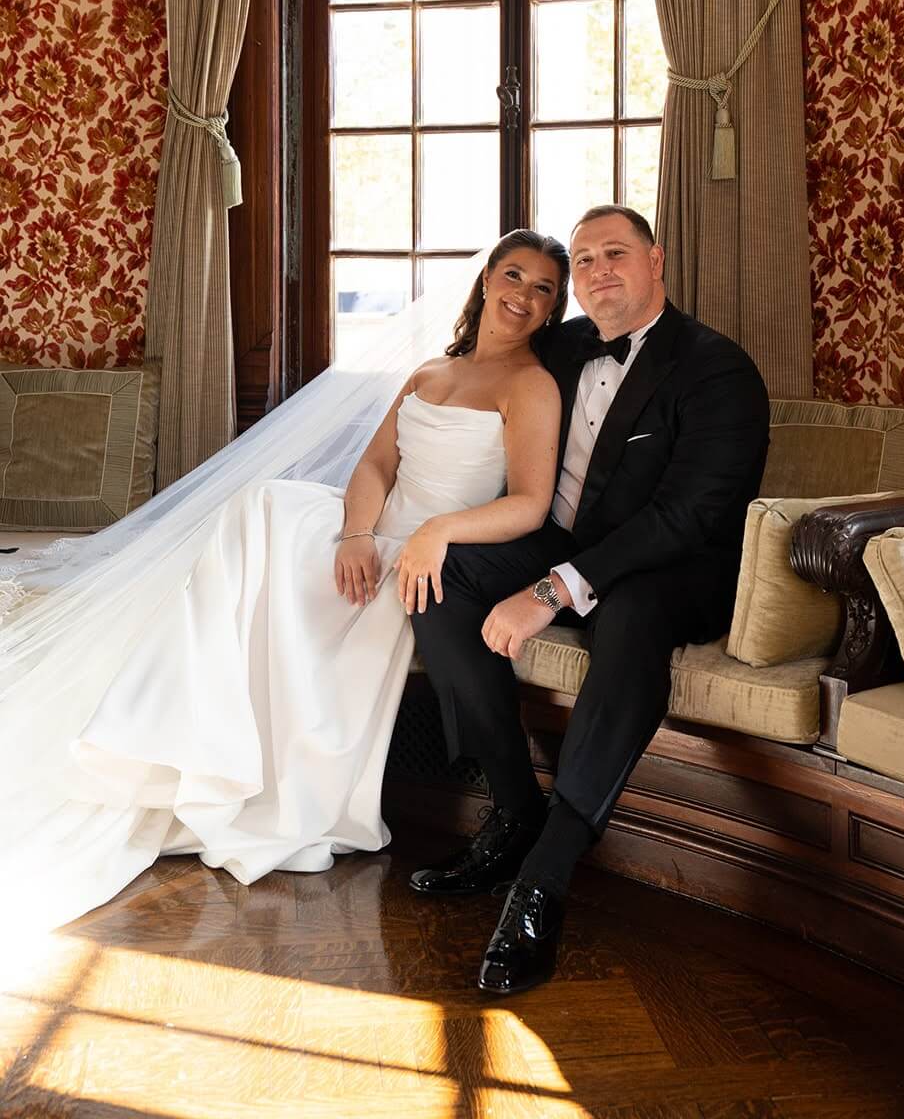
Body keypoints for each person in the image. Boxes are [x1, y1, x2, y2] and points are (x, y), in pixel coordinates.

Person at [0, 229, 568, 933]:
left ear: (552, 308)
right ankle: (193, 735)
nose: (523, 295)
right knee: (263, 503)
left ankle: (236, 770)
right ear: (486, 280)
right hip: (372, 531)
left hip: (429, 550)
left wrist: (431, 534)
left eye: (543, 288)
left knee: (278, 543)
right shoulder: (430, 372)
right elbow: (373, 468)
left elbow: (529, 504)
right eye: (513, 275)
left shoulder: (531, 385)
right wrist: (356, 535)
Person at [411, 205, 770, 996]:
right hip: (562, 544)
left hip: (669, 567)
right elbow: (476, 369)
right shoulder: (563, 346)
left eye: (616, 254)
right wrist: (429, 518)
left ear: (656, 261)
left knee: (633, 618)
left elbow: (689, 517)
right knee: (442, 578)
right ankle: (512, 812)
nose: (598, 272)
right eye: (583, 260)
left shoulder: (718, 370)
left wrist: (549, 591)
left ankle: (543, 881)